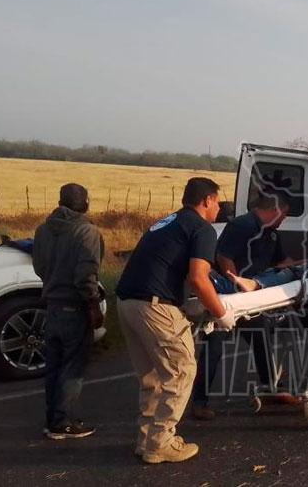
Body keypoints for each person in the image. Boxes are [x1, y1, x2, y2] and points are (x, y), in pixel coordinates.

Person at [116, 177, 232, 464]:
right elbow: (199, 278)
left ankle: (147, 440)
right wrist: (222, 314)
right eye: (217, 202)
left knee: (154, 376)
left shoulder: (166, 222)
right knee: (181, 370)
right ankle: (161, 443)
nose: (219, 208)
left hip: (127, 303)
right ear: (207, 200)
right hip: (154, 306)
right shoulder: (202, 229)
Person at [190, 192, 292, 420]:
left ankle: (270, 388)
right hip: (227, 298)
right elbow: (224, 257)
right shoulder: (242, 225)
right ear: (275, 210)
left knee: (261, 338)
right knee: (214, 347)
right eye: (284, 215)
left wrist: (302, 268)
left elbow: (282, 262)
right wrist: (235, 287)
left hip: (249, 300)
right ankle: (199, 402)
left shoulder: (270, 233)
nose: (284, 219)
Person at [32, 183, 104, 440]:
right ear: (85, 203)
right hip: (75, 307)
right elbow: (86, 275)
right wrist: (93, 305)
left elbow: (39, 266)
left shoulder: (42, 230)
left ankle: (53, 418)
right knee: (73, 368)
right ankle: (62, 422)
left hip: (51, 305)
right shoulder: (87, 231)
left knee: (53, 366)